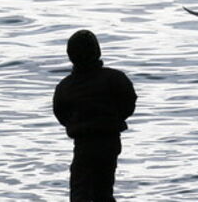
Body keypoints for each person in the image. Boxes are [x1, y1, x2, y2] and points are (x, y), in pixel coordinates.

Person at [53, 30, 138, 202]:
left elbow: (60, 113)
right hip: (110, 140)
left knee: (79, 192)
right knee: (104, 191)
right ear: (97, 51)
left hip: (83, 143)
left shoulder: (66, 86)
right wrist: (115, 118)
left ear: (71, 56)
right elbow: (129, 102)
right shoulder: (115, 78)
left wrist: (76, 124)